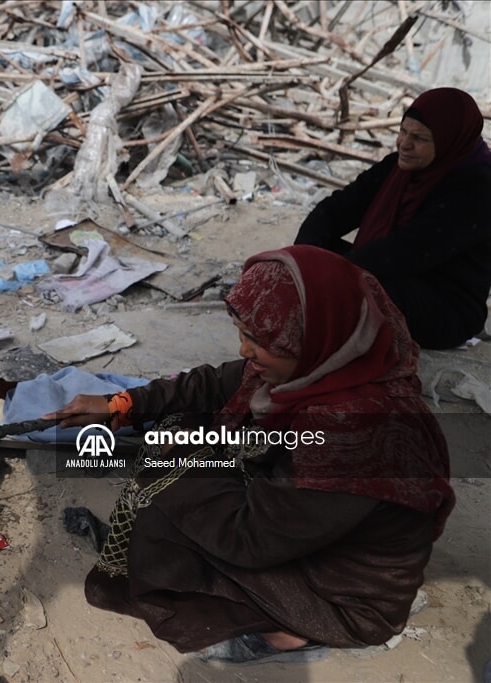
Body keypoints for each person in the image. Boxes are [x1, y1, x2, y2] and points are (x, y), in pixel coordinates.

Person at [45, 245, 455, 664]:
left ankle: (291, 631)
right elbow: (212, 383)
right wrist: (123, 403)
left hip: (341, 588)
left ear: (315, 335)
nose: (244, 351)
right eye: (242, 334)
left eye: (257, 340)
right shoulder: (322, 363)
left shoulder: (356, 434)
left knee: (161, 505)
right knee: (178, 437)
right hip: (300, 515)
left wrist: (177, 466)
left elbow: (249, 539)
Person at [294, 87, 491, 349]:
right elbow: (335, 210)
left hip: (445, 307)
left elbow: (409, 251)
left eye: (419, 138)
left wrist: (335, 275)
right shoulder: (398, 167)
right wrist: (301, 257)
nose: (404, 144)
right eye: (403, 132)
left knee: (358, 289)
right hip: (390, 272)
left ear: (447, 141)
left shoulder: (477, 188)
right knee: (314, 256)